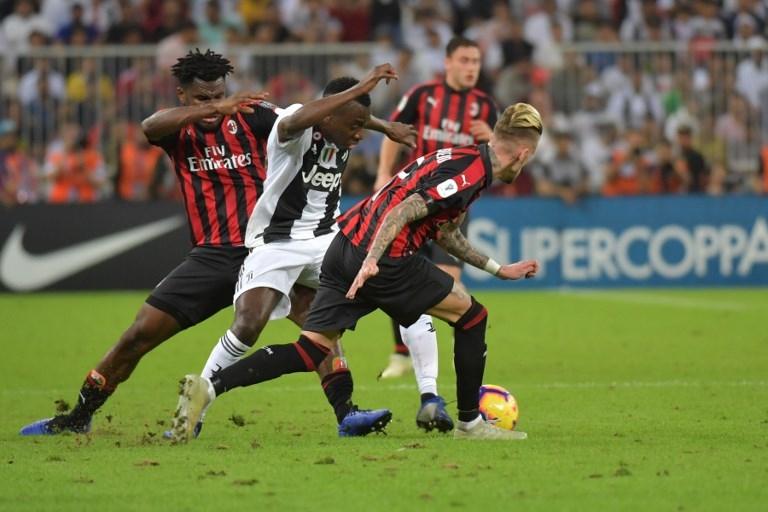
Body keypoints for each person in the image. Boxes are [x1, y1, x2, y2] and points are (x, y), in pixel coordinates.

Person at [17, 49, 398, 437]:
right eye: (203, 98)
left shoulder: (253, 116)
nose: (215, 105)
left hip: (270, 247)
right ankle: (79, 416)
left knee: (318, 325)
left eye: (219, 95)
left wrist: (383, 126)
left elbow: (318, 118)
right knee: (138, 335)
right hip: (213, 256)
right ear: (182, 96)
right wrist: (211, 110)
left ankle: (346, 414)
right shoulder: (177, 128)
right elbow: (150, 126)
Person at [171, 103, 543, 442]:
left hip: (342, 246)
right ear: (524, 154)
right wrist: (373, 260)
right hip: (385, 259)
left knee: (310, 349)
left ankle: (210, 387)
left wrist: (497, 269)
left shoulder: (463, 157)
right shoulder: (472, 172)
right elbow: (407, 209)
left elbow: (445, 232)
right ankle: (470, 423)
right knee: (473, 317)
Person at [170, 64, 423, 441]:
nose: (357, 136)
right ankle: (195, 402)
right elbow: (303, 116)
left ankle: (356, 411)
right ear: (330, 114)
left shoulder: (343, 126)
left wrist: (384, 127)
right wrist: (367, 86)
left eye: (361, 125)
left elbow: (350, 115)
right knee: (248, 324)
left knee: (333, 321)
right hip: (276, 242)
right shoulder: (291, 128)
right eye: (353, 125)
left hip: (325, 242)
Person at [372, 36, 498, 433]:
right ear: (447, 61)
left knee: (449, 288)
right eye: (464, 59)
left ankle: (434, 363)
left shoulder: (484, 106)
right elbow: (395, 135)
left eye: (476, 60)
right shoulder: (422, 96)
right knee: (399, 278)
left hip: (451, 214)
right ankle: (400, 354)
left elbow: (498, 158)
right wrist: (382, 177)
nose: (470, 66)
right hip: (412, 205)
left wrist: (488, 137)